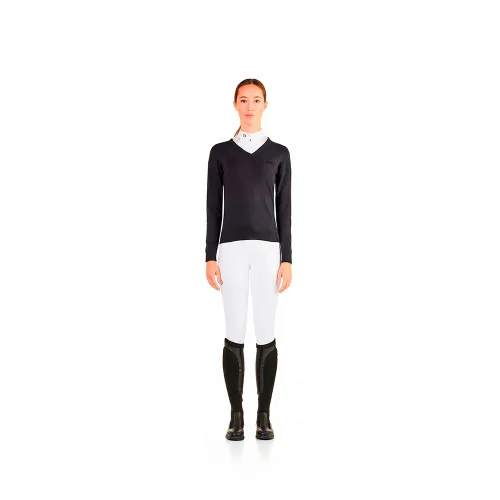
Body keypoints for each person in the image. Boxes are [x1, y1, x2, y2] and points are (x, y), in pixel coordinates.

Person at [205, 78, 292, 441]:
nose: (250, 106)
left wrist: (287, 258)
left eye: (256, 100)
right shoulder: (220, 153)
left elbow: (285, 209)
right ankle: (236, 415)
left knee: (266, 331)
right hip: (231, 250)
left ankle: (264, 416)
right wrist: (210, 256)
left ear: (265, 105)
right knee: (234, 330)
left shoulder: (279, 153)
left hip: (268, 250)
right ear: (235, 104)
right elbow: (213, 207)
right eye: (244, 100)